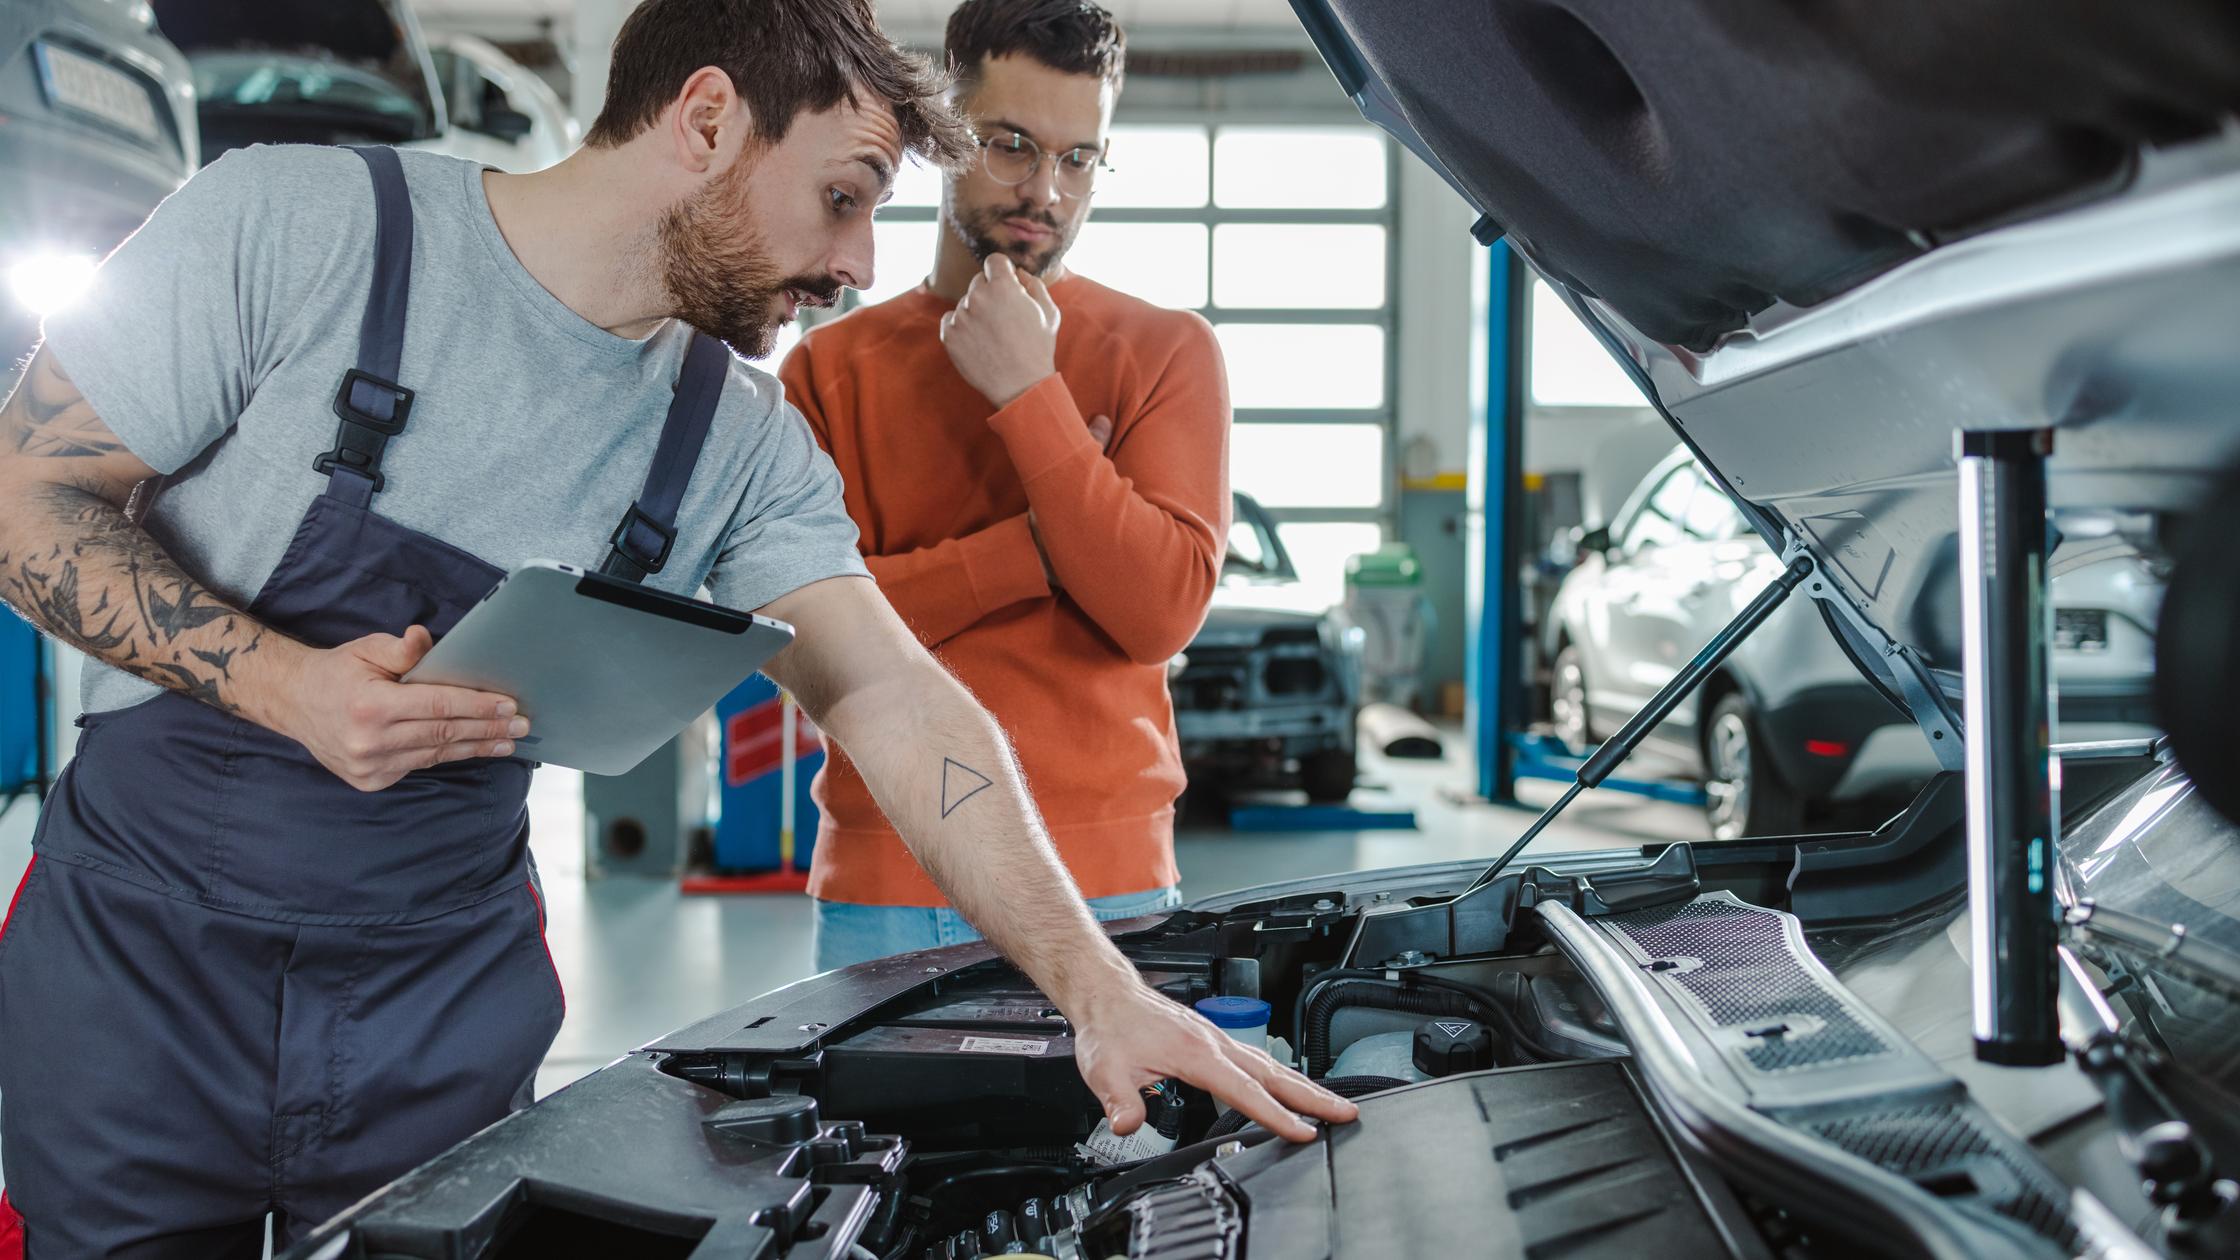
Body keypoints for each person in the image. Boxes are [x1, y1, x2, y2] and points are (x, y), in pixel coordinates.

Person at [0, 0, 1350, 1250]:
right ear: (705, 120)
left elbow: (888, 692)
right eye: (842, 198)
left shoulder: (733, 437)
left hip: (435, 1005)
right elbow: (22, 497)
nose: (857, 262)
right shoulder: (299, 228)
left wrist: (1096, 984)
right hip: (144, 982)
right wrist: (286, 685)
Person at [784, 0, 1230, 970]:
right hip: (887, 884)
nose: (1047, 190)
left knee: (1119, 1135)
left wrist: (1027, 392)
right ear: (941, 131)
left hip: (1111, 887)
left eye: (1080, 159)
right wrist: (1037, 547)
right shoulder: (826, 371)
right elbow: (811, 645)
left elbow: (1154, 611)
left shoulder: (1164, 352)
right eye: (1011, 145)